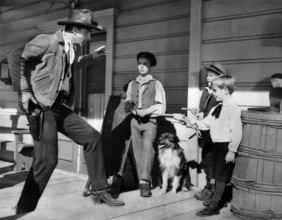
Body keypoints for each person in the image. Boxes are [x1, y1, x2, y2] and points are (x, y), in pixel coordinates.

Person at [14, 9, 124, 214]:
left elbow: (73, 65)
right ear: (74, 29)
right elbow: (15, 57)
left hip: (57, 107)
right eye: (86, 33)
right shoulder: (47, 41)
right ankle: (24, 208)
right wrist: (25, 91)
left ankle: (99, 190)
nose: (88, 37)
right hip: (41, 107)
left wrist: (94, 56)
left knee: (92, 137)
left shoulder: (69, 49)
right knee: (47, 160)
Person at [174, 74, 242, 216]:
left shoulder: (233, 109)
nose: (213, 93)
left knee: (221, 177)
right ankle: (220, 200)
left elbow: (237, 132)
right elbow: (205, 124)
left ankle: (214, 206)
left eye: (215, 90)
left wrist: (232, 150)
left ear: (225, 90)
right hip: (216, 146)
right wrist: (189, 122)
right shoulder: (217, 107)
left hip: (226, 147)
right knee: (217, 176)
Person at [124, 52, 166, 197]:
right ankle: (142, 182)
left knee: (148, 149)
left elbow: (161, 106)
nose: (141, 67)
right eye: (139, 63)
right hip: (134, 122)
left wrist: (147, 111)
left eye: (145, 64)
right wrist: (130, 106)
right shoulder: (132, 83)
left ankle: (145, 183)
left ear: (151, 66)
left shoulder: (156, 84)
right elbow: (128, 99)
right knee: (138, 151)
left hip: (150, 122)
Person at [194, 63, 226, 201]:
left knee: (214, 159)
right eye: (207, 75)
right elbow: (202, 109)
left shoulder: (221, 93)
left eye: (211, 75)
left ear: (220, 78)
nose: (208, 78)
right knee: (207, 158)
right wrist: (199, 114)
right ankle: (209, 185)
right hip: (205, 130)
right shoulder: (206, 91)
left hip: (216, 132)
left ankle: (213, 189)